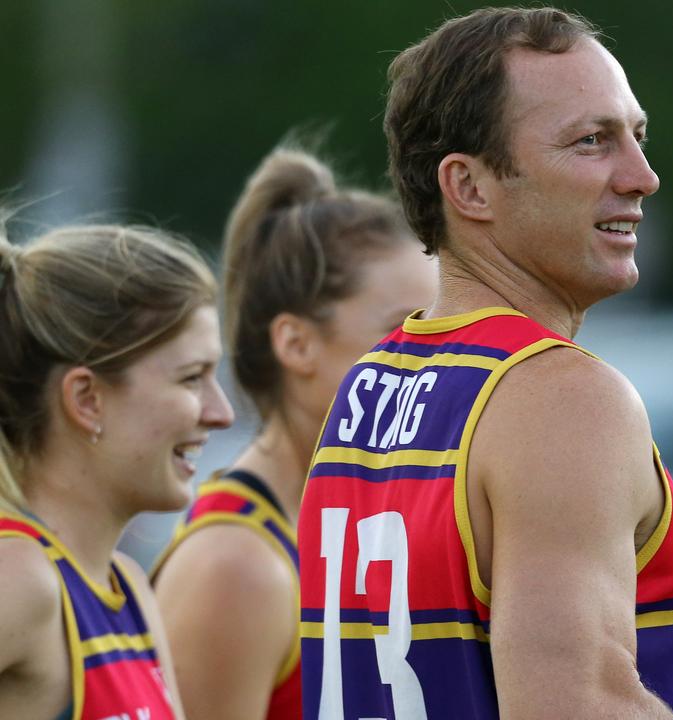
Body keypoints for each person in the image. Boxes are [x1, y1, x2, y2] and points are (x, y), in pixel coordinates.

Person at [296, 7, 673, 719]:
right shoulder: (562, 398)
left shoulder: (367, 387)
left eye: (636, 138)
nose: (643, 177)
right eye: (591, 142)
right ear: (470, 187)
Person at [150, 147, 439, 720]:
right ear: (296, 343)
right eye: (403, 329)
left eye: (441, 328)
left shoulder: (371, 529)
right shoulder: (236, 567)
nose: (433, 360)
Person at [0, 222, 234, 720]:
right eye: (192, 378)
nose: (222, 412)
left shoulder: (127, 586)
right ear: (87, 400)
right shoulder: (20, 578)